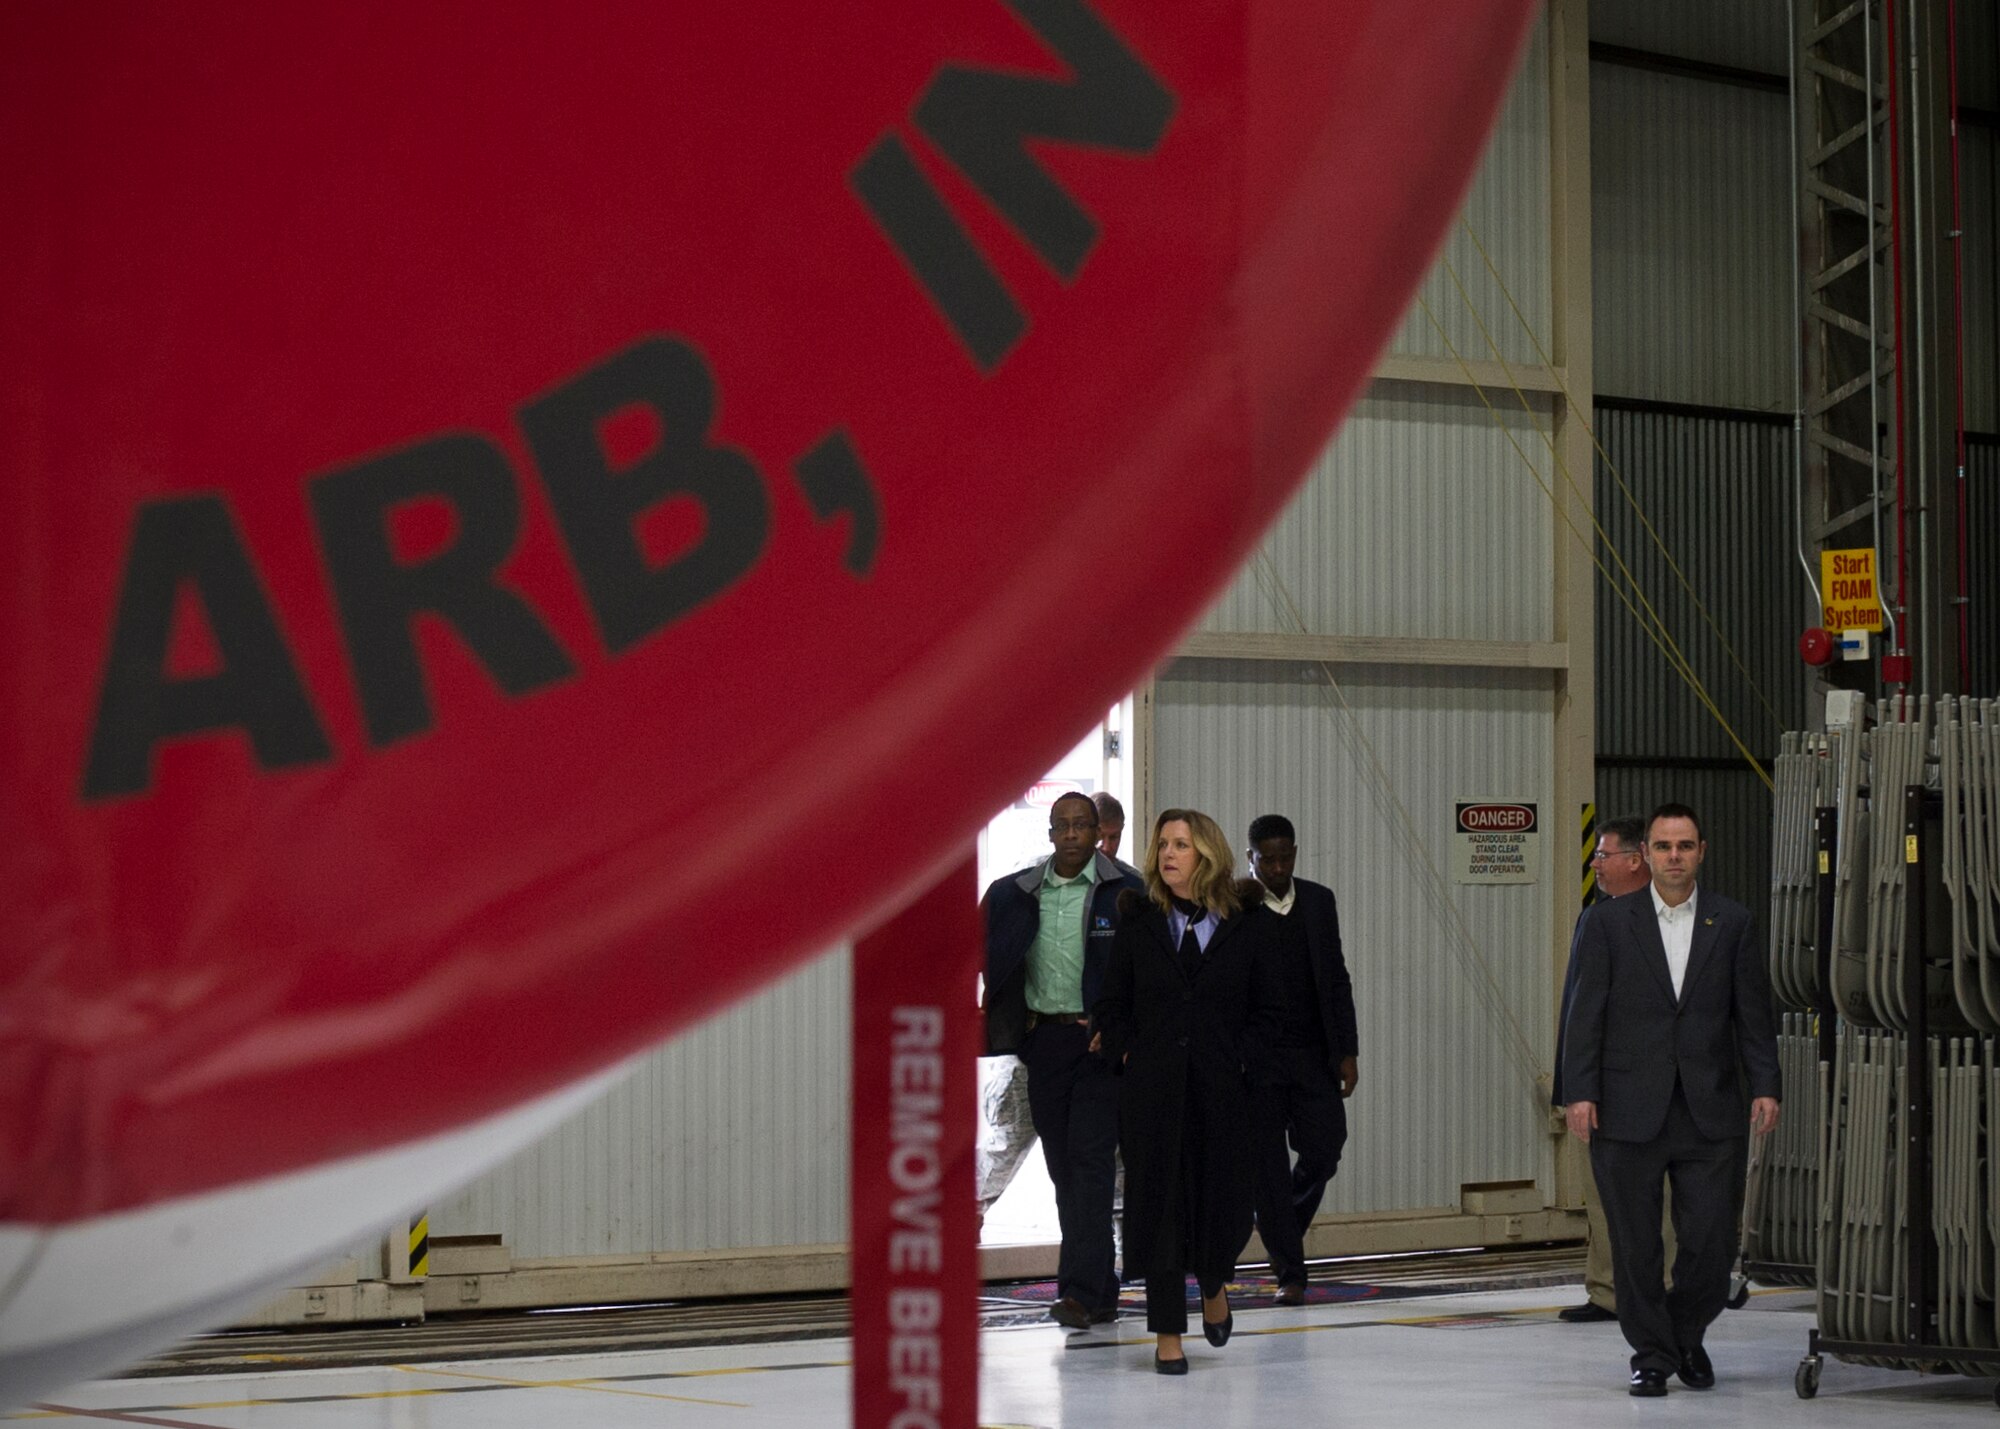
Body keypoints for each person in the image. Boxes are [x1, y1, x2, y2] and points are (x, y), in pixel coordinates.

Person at [1562, 803, 1780, 1397]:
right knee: (1635, 1244)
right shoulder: (1608, 923)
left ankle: (1686, 1333)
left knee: (1711, 1244)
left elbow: (1752, 1014)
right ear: (1647, 856)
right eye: (1663, 847)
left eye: (1685, 846)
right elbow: (1585, 1015)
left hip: (1710, 1107)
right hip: (1626, 1106)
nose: (1674, 857)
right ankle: (1654, 1355)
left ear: (1701, 851)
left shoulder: (1731, 922)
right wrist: (1577, 1092)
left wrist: (1766, 1084)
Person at [1093, 808, 1280, 1374]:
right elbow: (1111, 1004)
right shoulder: (1139, 922)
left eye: (1180, 844)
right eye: (1163, 845)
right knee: (1162, 1210)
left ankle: (1216, 1281)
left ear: (1208, 854)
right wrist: (1126, 1046)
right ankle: (1168, 1333)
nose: (1167, 854)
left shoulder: (1246, 925)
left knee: (1221, 1206)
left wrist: (1245, 1059)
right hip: (1153, 1094)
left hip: (1223, 1091)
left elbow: (1269, 1010)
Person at [982, 791, 1141, 1328]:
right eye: (1062, 826)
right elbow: (984, 957)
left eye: (1082, 826)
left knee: (1091, 1167)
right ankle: (1102, 1290)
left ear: (1099, 833)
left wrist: (1120, 1027)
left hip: (1099, 1048)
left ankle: (1077, 1291)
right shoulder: (1015, 894)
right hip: (1044, 1044)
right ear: (1049, 834)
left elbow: (1148, 973)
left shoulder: (1127, 891)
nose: (1072, 835)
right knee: (1065, 1173)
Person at [1551, 814, 1664, 1323]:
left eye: (1603, 855)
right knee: (1600, 1194)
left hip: (1647, 1085)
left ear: (1636, 860)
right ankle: (1606, 1291)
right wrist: (1576, 1085)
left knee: (1651, 1198)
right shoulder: (1595, 917)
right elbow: (1581, 1010)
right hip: (1600, 1084)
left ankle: (1656, 1289)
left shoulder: (1668, 921)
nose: (1595, 863)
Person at [1242, 814, 1357, 1305]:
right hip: (1258, 1060)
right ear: (1251, 859)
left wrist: (1348, 1050)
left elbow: (1336, 977)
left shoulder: (1318, 900)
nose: (1277, 866)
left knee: (1326, 1147)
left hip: (1313, 1053)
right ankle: (1291, 1272)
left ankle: (1277, 1226)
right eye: (1266, 859)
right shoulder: (1236, 907)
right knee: (1266, 1166)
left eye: (1285, 856)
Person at [1092, 792, 1141, 879]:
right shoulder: (1066, 878)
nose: (1106, 848)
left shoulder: (1135, 881)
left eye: (1113, 837)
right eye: (1099, 837)